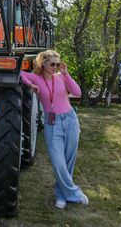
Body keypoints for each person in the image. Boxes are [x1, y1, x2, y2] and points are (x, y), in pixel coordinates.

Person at [20, 49, 88, 209]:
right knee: (58, 163)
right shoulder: (36, 78)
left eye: (58, 64)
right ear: (43, 63)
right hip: (52, 124)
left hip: (70, 120)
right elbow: (18, 73)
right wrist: (30, 85)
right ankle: (74, 193)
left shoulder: (61, 77)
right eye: (52, 64)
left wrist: (66, 74)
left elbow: (77, 92)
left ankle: (61, 194)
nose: (55, 67)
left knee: (68, 161)